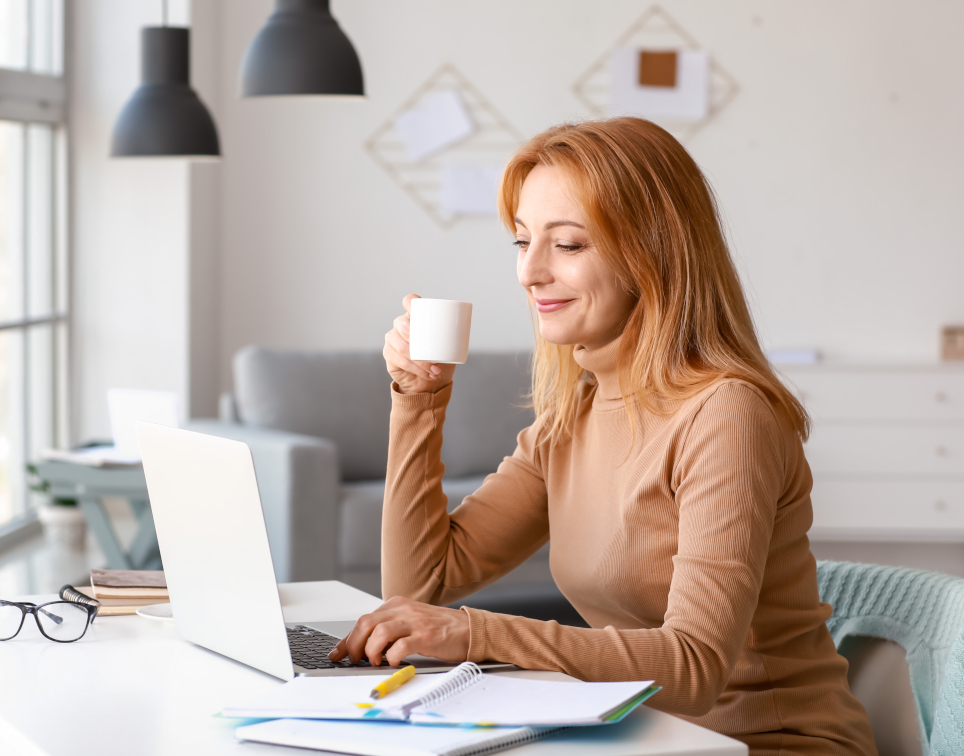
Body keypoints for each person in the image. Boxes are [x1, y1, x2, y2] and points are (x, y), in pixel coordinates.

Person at [330, 118, 877, 755]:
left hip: (769, 743)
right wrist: (418, 403)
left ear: (652, 252)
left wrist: (474, 635)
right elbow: (420, 585)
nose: (529, 272)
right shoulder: (574, 414)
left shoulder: (727, 415)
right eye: (521, 241)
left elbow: (695, 667)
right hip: (645, 736)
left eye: (568, 245)